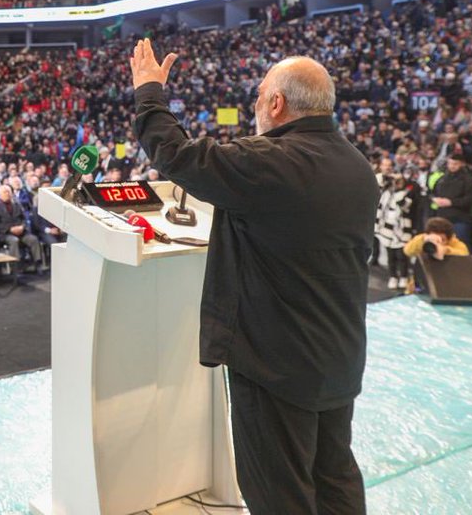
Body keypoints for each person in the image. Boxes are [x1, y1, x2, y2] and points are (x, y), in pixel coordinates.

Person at [131, 41, 378, 515]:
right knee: (335, 480)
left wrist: (149, 93)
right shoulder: (357, 167)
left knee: (278, 494)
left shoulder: (272, 163)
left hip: (276, 365)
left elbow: (177, 155)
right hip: (338, 357)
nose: (256, 102)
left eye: (260, 93)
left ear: (277, 103)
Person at [0, 183, 42, 273]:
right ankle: (15, 267)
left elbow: (25, 218)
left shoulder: (17, 204)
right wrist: (10, 229)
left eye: (9, 192)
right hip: (5, 234)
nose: (7, 194)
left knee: (33, 239)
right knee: (14, 241)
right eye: (5, 192)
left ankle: (38, 264)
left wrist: (22, 227)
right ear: (0, 194)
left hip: (21, 231)